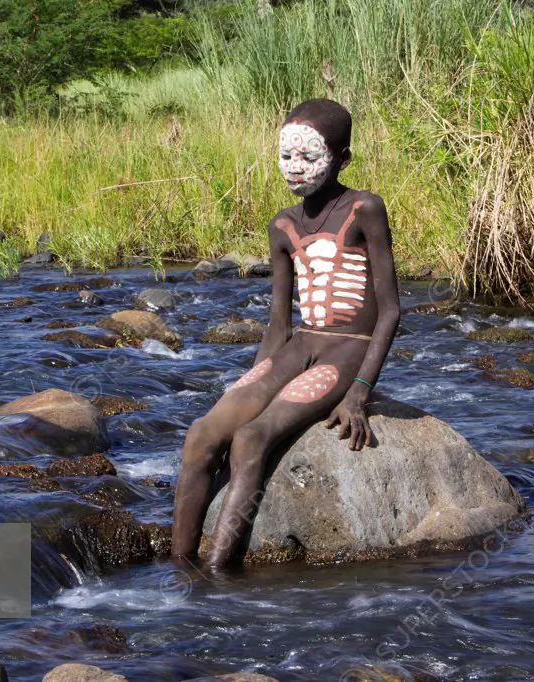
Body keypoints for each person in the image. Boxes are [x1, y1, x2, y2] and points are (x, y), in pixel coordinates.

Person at [171, 98, 401, 569]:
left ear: (342, 159)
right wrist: (256, 384)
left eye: (309, 157)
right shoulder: (283, 224)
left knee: (252, 437)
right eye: (286, 156)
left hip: (347, 351)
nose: (295, 168)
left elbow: (391, 312)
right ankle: (178, 570)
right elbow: (278, 324)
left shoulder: (365, 210)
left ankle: (216, 570)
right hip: (299, 345)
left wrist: (359, 393)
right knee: (201, 434)